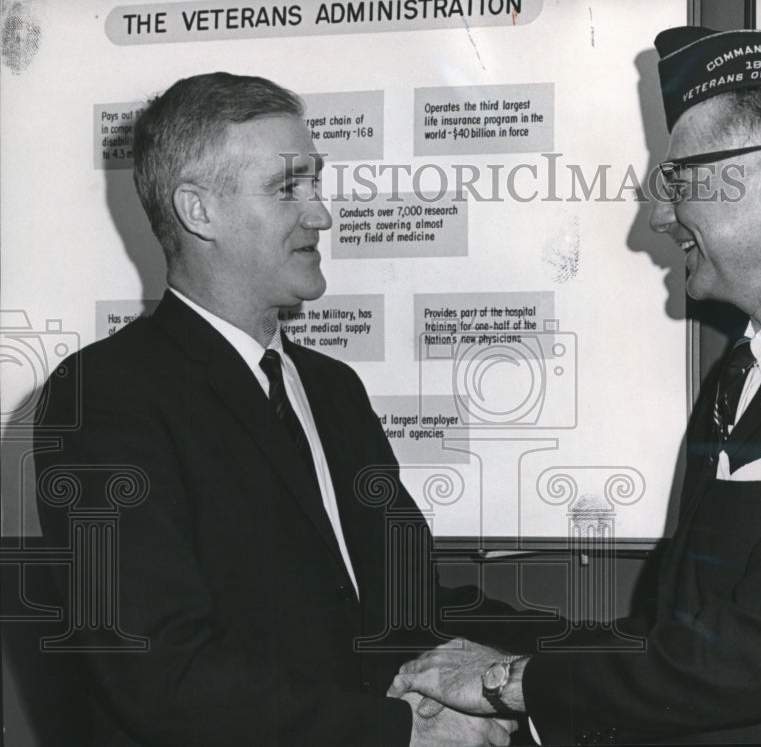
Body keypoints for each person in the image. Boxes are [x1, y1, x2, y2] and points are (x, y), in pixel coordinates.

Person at [390, 27, 761, 743]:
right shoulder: (751, 367)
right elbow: (678, 634)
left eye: (679, 180)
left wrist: (506, 686)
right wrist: (500, 680)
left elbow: (746, 658)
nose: (656, 213)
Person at [33, 72, 520, 747]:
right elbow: (156, 674)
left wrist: (566, 665)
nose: (321, 213)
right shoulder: (103, 396)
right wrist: (395, 731)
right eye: (287, 186)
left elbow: (406, 607)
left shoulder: (331, 388)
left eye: (315, 183)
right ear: (198, 211)